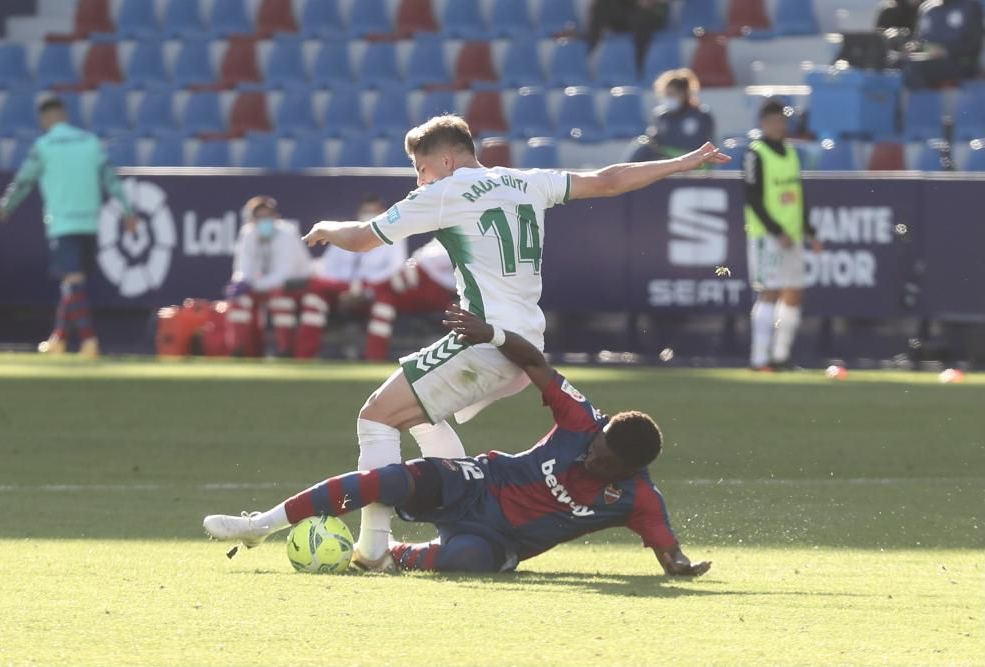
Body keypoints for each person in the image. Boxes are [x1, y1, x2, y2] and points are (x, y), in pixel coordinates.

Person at [301, 114, 729, 570]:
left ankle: (373, 550)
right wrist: (681, 162)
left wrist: (327, 226)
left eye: (420, 168)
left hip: (485, 339)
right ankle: (454, 513)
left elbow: (365, 239)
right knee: (423, 418)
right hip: (526, 347)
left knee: (377, 418)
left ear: (445, 160)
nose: (419, 179)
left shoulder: (443, 192)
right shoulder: (525, 180)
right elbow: (608, 181)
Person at [203, 306, 711, 577]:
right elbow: (536, 363)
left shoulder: (638, 498)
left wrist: (682, 567)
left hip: (498, 542)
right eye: (596, 449)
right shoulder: (582, 420)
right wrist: (491, 334)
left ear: (627, 471)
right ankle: (262, 525)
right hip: (478, 485)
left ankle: (389, 556)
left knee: (466, 562)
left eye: (604, 465)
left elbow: (671, 557)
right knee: (385, 481)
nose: (591, 460)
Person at [0, 96, 138, 357]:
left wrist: (7, 205)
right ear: (65, 115)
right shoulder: (90, 142)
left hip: (63, 223)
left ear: (45, 119)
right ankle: (58, 340)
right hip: (90, 222)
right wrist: (127, 211)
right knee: (72, 281)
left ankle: (89, 340)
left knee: (73, 281)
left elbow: (24, 181)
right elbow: (111, 180)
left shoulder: (44, 145)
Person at [743, 101, 822, 372]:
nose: (780, 125)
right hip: (768, 236)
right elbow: (752, 197)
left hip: (794, 235)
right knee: (769, 292)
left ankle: (780, 356)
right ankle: (759, 358)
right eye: (775, 120)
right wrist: (776, 231)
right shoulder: (755, 153)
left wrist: (809, 231)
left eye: (782, 120)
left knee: (794, 293)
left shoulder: (790, 152)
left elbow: (798, 196)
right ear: (763, 122)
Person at [307, 194, 409, 358]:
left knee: (384, 306)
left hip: (372, 292)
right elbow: (328, 266)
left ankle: (374, 359)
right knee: (313, 298)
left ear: (383, 213)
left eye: (373, 211)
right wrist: (345, 290)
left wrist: (363, 290)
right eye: (365, 211)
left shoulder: (395, 235)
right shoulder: (346, 232)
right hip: (341, 290)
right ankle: (303, 358)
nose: (368, 215)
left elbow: (394, 268)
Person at [226, 195, 316, 358]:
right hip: (265, 284)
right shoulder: (248, 234)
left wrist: (253, 284)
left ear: (275, 216)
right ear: (252, 219)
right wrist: (240, 281)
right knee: (240, 298)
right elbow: (243, 266)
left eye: (267, 216)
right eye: (259, 217)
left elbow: (284, 274)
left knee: (279, 297)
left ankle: (285, 349)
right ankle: (241, 349)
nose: (263, 221)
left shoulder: (287, 233)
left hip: (297, 285)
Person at [365, 238, 457, 361]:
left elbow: (425, 261)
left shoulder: (470, 244)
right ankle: (375, 357)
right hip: (420, 285)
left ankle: (367, 292)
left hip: (443, 293)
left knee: (387, 288)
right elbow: (418, 258)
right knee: (384, 302)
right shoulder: (446, 237)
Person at [625, 69, 715, 162]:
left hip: (694, 162)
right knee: (642, 147)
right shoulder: (662, 116)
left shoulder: (701, 115)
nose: (668, 98)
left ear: (684, 94)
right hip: (667, 162)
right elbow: (654, 141)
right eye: (666, 94)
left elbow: (704, 145)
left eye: (672, 94)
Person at [905, 0, 983, 88]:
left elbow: (974, 45)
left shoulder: (971, 6)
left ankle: (923, 101)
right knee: (904, 64)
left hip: (959, 63)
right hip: (929, 60)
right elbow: (919, 42)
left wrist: (946, 50)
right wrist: (913, 48)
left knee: (915, 68)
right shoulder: (928, 8)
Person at [587, 0, 670, 65]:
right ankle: (589, 54)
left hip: (651, 13)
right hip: (628, 13)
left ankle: (640, 66)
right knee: (601, 5)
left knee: (640, 20)